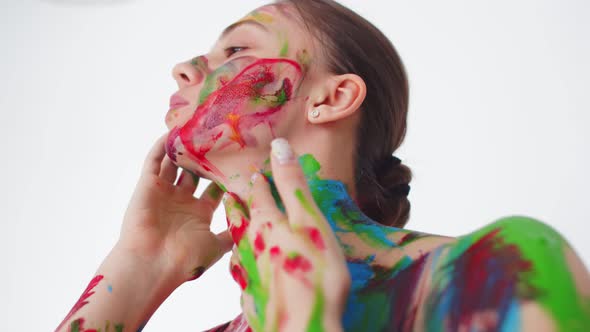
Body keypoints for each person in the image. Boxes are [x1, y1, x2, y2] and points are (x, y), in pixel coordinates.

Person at [55, 1, 590, 331]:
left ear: (331, 98)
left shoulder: (490, 276)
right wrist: (139, 266)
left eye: (236, 49)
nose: (184, 68)